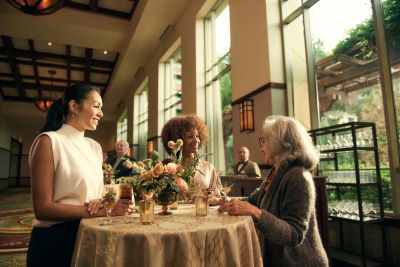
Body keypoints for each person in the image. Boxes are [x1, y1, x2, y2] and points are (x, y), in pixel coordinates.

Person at [27, 84, 132, 267]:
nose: (101, 114)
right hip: (55, 240)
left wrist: (100, 201)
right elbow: (42, 209)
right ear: (74, 107)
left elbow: (91, 193)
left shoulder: (95, 147)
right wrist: (102, 211)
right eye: (96, 106)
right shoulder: (49, 141)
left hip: (92, 234)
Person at [218, 115, 328, 267]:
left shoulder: (298, 177)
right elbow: (252, 201)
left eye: (264, 140)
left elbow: (294, 235)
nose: (261, 146)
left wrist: (257, 213)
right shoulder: (277, 171)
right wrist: (222, 200)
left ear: (280, 143)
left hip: (300, 262)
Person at [161, 114, 223, 197]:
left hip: (202, 209)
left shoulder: (208, 168)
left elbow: (219, 196)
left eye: (197, 136)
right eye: (190, 136)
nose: (196, 140)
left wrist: (212, 196)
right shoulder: (167, 168)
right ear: (177, 140)